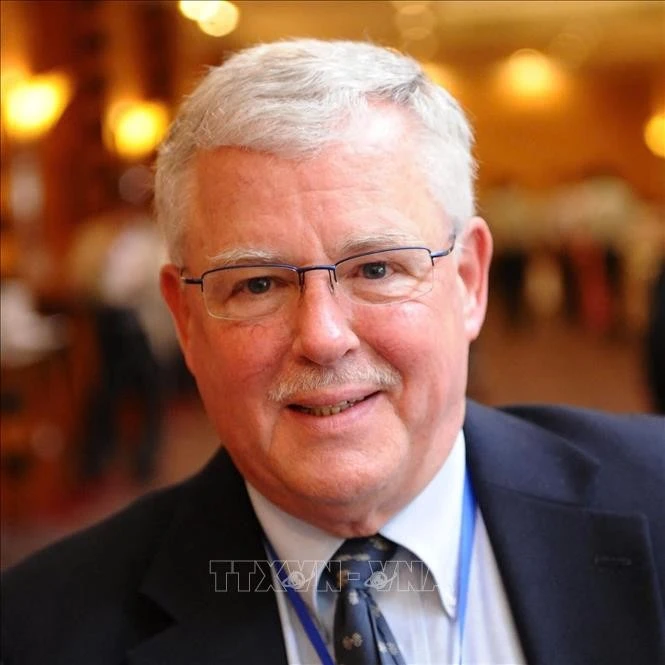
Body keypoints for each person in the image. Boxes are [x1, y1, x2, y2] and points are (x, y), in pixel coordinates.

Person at [2, 40, 664, 665]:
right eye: (256, 283)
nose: (322, 336)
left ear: (467, 281)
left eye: (375, 269)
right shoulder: (40, 631)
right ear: (185, 319)